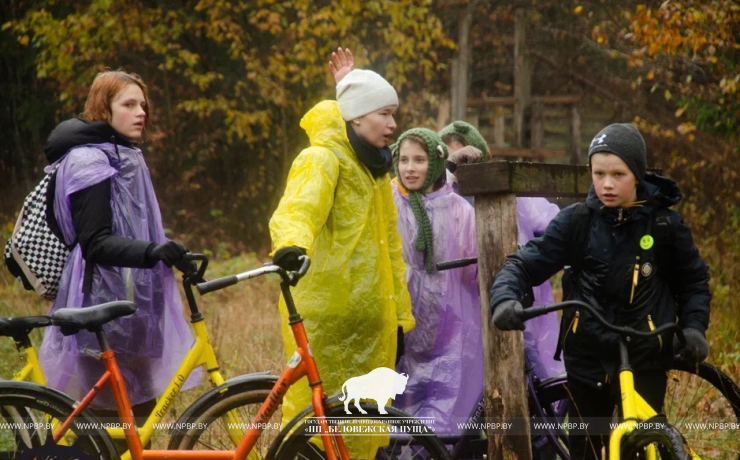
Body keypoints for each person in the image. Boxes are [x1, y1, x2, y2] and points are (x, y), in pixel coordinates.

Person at [489, 123, 711, 459]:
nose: (607, 184)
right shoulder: (577, 222)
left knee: (646, 446)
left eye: (618, 174)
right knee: (587, 448)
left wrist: (694, 328)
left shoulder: (665, 226)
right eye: (599, 173)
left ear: (637, 174)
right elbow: (524, 263)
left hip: (645, 357)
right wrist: (505, 296)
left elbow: (693, 282)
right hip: (588, 359)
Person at [38, 70, 200, 425]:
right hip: (100, 305)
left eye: (143, 104)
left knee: (138, 420)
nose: (141, 112)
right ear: (103, 109)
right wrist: (153, 252)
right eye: (129, 104)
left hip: (137, 303)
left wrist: (165, 251)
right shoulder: (89, 162)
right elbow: (96, 242)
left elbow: (136, 227)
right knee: (106, 425)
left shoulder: (126, 155)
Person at [269, 67, 414, 458]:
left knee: (361, 433)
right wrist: (292, 246)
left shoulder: (374, 170)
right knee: (316, 431)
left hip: (371, 326)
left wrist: (399, 315)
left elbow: (391, 249)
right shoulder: (322, 159)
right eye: (384, 113)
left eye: (393, 113)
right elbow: (298, 210)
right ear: (356, 116)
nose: (393, 123)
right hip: (329, 323)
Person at [440, 119, 564, 381]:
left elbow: (553, 226)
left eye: (463, 158)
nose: (458, 168)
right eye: (450, 159)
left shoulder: (511, 195)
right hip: (460, 307)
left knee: (528, 370)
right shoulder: (437, 202)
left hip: (514, 301)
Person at [388, 127, 481, 435]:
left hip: (447, 323)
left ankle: (435, 448)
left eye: (419, 160)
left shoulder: (458, 209)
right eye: (403, 160)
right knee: (398, 388)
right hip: (399, 316)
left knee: (443, 390)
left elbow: (473, 271)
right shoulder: (389, 199)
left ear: (435, 164)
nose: (410, 168)